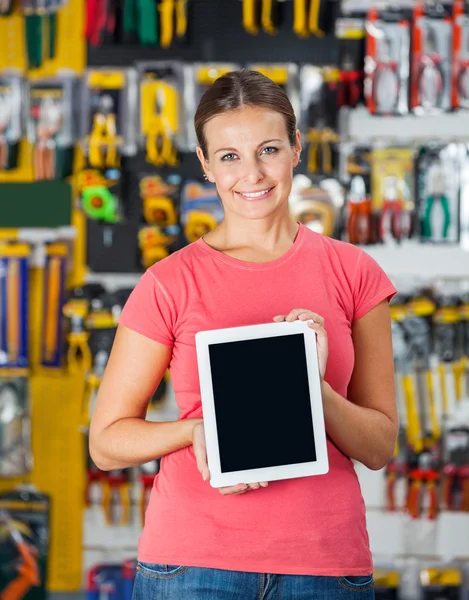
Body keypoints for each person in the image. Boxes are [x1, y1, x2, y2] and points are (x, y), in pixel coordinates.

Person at [89, 69, 398, 599]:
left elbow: (379, 446)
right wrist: (193, 434)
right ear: (206, 165)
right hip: (191, 567)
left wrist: (311, 387)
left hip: (324, 565)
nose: (251, 173)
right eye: (229, 156)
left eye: (269, 149)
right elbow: (107, 444)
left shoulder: (355, 272)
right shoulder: (169, 282)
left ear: (297, 148)